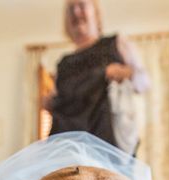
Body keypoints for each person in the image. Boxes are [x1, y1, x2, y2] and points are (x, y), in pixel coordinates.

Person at [44, 0, 150, 154]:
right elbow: (57, 103)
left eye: (81, 5)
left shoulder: (117, 44)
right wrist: (50, 102)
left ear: (96, 12)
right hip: (66, 149)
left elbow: (144, 83)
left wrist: (127, 72)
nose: (76, 12)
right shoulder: (63, 64)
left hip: (108, 148)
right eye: (70, 9)